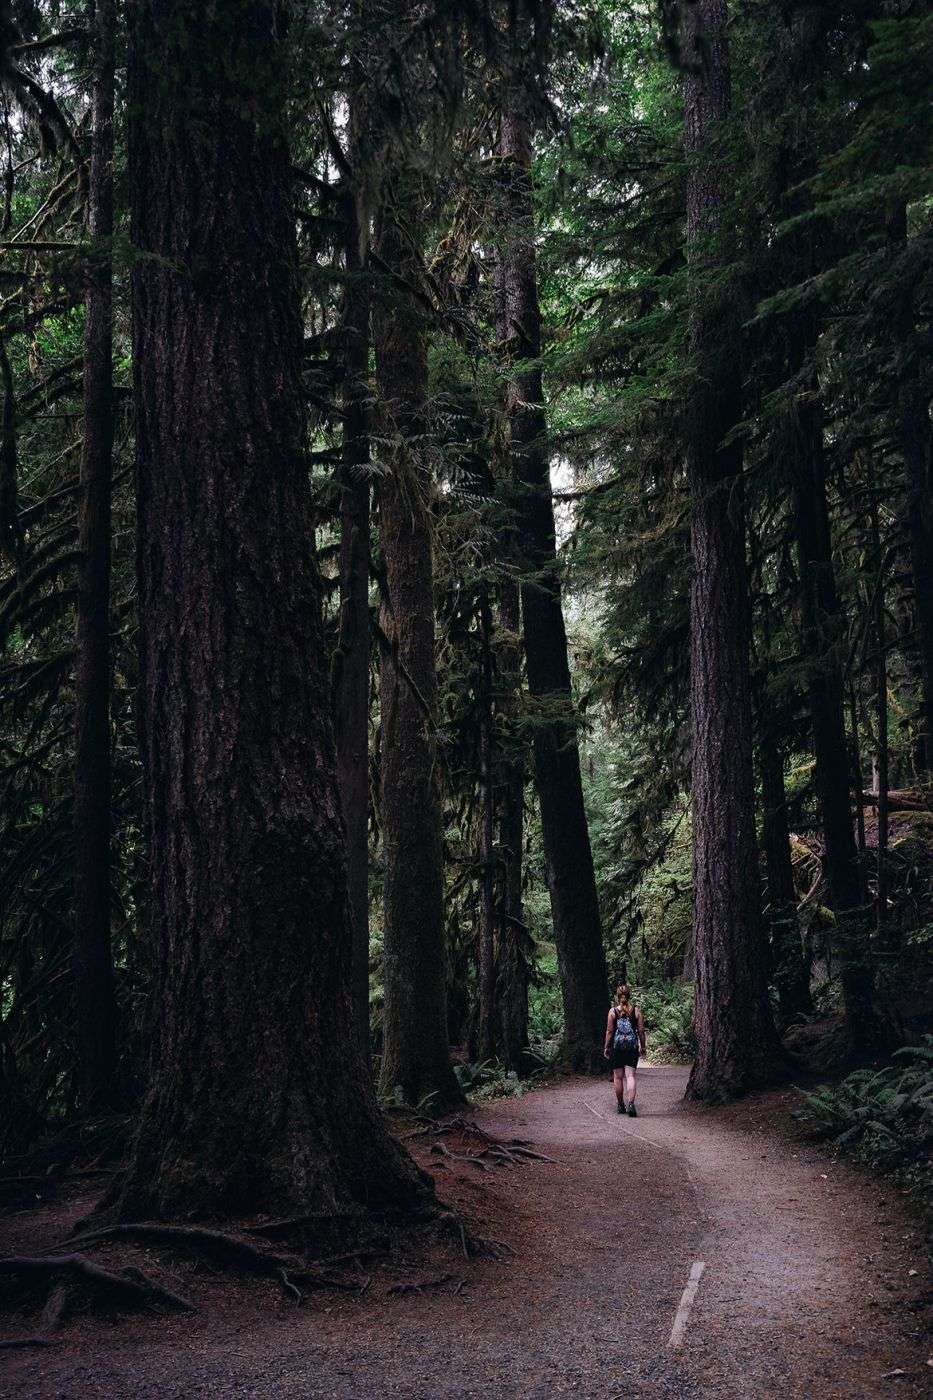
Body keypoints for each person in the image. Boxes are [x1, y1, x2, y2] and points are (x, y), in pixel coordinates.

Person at [603, 983, 646, 1116]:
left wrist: (606, 1047)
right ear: (629, 996)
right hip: (632, 1048)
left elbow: (610, 1031)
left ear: (618, 997)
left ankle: (621, 1105)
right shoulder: (636, 1011)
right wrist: (643, 1046)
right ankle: (631, 1104)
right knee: (631, 1076)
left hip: (617, 1048)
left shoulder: (612, 1012)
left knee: (618, 1077)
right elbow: (641, 1030)